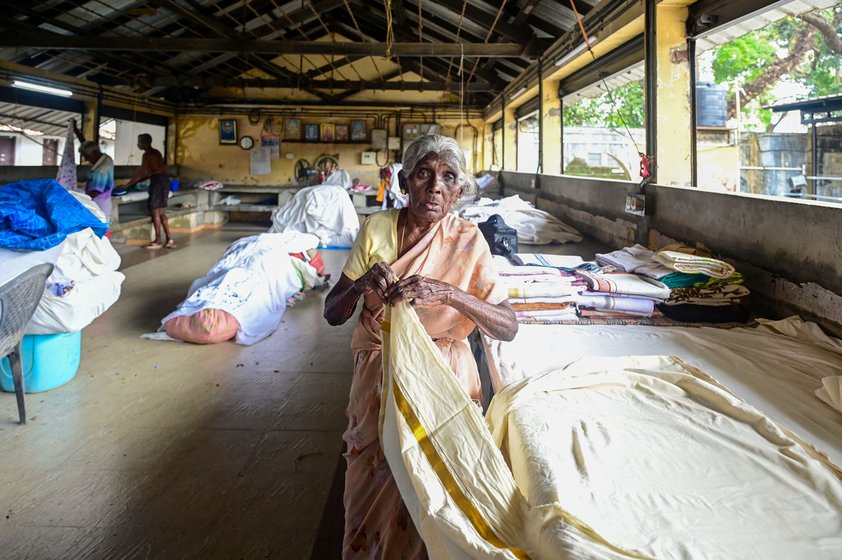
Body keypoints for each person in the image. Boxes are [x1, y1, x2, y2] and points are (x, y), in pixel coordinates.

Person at [323, 135, 517, 559]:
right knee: (372, 476)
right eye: (425, 175)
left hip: (443, 376)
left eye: (448, 178)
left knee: (436, 489)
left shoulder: (468, 241)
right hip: (380, 369)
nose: (435, 187)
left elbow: (507, 326)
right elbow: (333, 312)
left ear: (459, 192)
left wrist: (449, 293)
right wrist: (359, 285)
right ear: (404, 182)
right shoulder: (377, 228)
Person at [124, 133, 174, 249]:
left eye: (139, 142)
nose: (138, 144)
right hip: (164, 180)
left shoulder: (147, 154)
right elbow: (151, 171)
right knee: (161, 211)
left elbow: (142, 172)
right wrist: (136, 181)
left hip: (157, 182)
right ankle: (169, 239)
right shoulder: (157, 152)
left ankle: (158, 240)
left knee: (155, 212)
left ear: (145, 143)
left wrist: (127, 185)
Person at [71, 120, 114, 221]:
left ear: (94, 152)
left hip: (98, 204)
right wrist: (76, 131)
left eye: (86, 156)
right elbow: (87, 145)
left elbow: (95, 192)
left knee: (98, 228)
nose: (86, 160)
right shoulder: (106, 158)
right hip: (104, 200)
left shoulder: (100, 171)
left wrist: (77, 199)